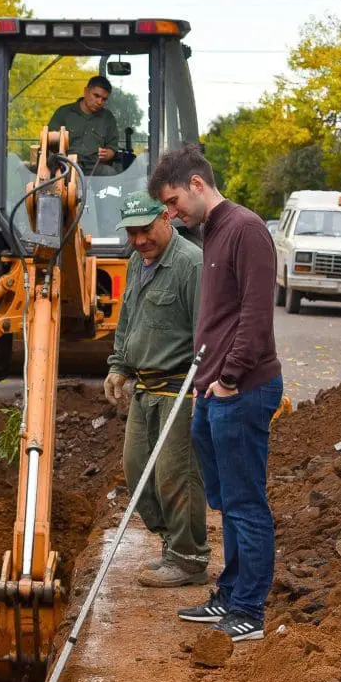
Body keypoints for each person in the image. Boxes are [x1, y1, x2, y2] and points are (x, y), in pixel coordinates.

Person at [149, 144, 283, 640]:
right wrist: (210, 383)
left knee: (246, 502)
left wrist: (228, 379)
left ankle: (249, 611)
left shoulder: (246, 229)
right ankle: (229, 595)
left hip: (241, 390)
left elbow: (255, 315)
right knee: (226, 501)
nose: (170, 213)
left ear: (197, 184)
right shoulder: (214, 230)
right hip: (214, 391)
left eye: (172, 201)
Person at [104, 191, 209, 587]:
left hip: (179, 389)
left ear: (166, 218)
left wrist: (205, 388)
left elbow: (205, 330)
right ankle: (171, 543)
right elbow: (129, 317)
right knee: (136, 470)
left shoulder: (190, 264)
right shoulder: (137, 262)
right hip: (144, 388)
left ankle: (189, 559)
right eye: (131, 233)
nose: (139, 240)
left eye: (146, 230)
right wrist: (118, 365)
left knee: (175, 475)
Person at [49, 76, 119, 175]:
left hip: (94, 167)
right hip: (65, 165)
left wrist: (107, 154)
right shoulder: (64, 113)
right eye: (96, 96)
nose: (99, 102)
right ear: (86, 91)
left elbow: (112, 147)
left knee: (109, 172)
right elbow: (49, 142)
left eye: (104, 99)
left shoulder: (108, 118)